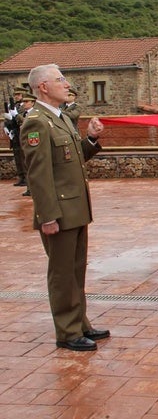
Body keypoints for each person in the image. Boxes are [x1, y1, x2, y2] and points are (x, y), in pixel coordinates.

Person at [21, 63, 110, 351]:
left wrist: (91, 139)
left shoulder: (58, 118)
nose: (66, 83)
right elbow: (39, 174)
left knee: (76, 270)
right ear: (43, 87)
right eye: (60, 79)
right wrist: (47, 217)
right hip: (58, 212)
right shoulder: (36, 121)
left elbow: (71, 160)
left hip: (75, 209)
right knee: (62, 274)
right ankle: (67, 332)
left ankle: (80, 323)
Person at [5, 85, 28, 186]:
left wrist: (15, 115)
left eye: (18, 95)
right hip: (15, 133)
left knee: (24, 156)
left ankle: (27, 178)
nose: (16, 97)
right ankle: (21, 177)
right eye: (15, 95)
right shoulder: (14, 106)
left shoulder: (25, 107)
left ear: (23, 94)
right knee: (17, 155)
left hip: (22, 133)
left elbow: (23, 119)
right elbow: (9, 120)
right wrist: (6, 126)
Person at [17, 93, 37, 197]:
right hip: (25, 142)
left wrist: (17, 115)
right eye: (23, 101)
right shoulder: (25, 113)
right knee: (26, 166)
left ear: (33, 103)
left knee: (32, 166)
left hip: (33, 142)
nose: (24, 104)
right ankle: (29, 188)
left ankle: (33, 188)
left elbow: (28, 123)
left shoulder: (34, 113)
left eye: (26, 102)